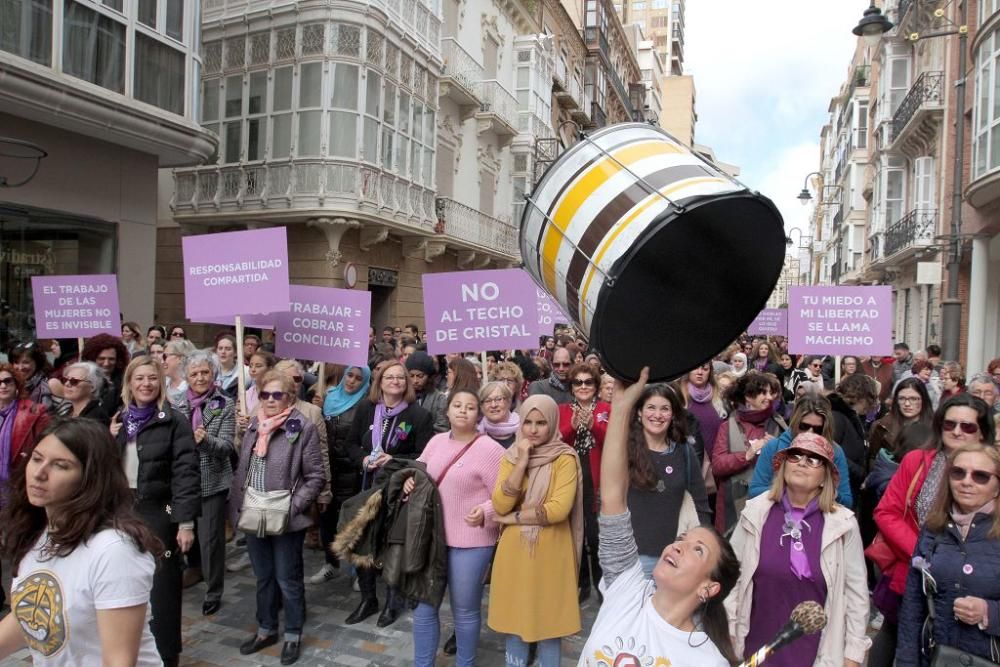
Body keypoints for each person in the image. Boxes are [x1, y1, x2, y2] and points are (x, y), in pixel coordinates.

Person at [579, 367, 740, 666]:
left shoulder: (706, 661)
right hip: (633, 559)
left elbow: (700, 501)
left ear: (709, 587)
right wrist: (621, 408)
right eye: (683, 538)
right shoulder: (624, 591)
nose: (680, 545)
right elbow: (612, 496)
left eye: (698, 549)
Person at [0, 419, 163, 665]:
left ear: (90, 477)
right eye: (36, 458)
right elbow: (31, 614)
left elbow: (118, 660)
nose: (39, 473)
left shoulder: (115, 550)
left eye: (60, 466)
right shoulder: (41, 532)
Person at [870, 394, 997, 664]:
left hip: (979, 592)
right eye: (949, 425)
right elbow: (887, 511)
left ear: (983, 431)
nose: (957, 432)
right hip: (918, 577)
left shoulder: (993, 469)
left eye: (968, 426)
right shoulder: (918, 460)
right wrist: (927, 555)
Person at [726, 432, 871, 666]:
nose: (802, 462)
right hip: (756, 644)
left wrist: (853, 654)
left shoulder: (843, 525)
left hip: (815, 651)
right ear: (783, 467)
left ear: (825, 477)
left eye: (813, 459)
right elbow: (731, 575)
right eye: (795, 456)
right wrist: (729, 628)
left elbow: (856, 594)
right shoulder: (755, 511)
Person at [110, 355, 200, 667]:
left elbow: (186, 473)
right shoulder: (120, 420)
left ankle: (166, 656)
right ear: (129, 383)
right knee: (122, 586)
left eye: (152, 378)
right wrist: (109, 439)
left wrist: (185, 522)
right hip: (122, 513)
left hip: (159, 514)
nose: (146, 384)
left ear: (160, 383)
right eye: (139, 378)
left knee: (162, 592)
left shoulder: (173, 420)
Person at [229, 370, 325, 665]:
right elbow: (243, 468)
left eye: (277, 395)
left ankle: (293, 633)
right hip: (253, 511)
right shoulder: (254, 426)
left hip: (283, 515)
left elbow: (315, 477)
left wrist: (292, 507)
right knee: (263, 577)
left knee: (288, 578)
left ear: (290, 397)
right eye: (264, 395)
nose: (270, 400)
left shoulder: (302, 428)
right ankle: (266, 629)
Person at [408, 389, 505, 666]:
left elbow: (507, 496)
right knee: (424, 607)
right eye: (457, 405)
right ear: (447, 411)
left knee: (464, 610)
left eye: (471, 406)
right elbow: (419, 474)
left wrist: (486, 511)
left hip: (471, 542)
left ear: (479, 413)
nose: (463, 410)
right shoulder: (436, 442)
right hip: (431, 538)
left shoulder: (490, 449)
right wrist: (409, 483)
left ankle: (465, 662)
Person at [488, 394, 583, 666]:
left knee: (549, 629)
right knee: (514, 625)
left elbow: (558, 510)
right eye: (527, 422)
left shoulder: (564, 458)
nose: (532, 429)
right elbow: (499, 504)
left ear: (552, 423)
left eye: (541, 423)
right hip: (515, 555)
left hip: (552, 553)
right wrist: (520, 463)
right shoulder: (511, 457)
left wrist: (514, 518)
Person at [344, 361, 434, 626]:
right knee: (364, 541)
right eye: (388, 377)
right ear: (379, 382)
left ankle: (392, 603)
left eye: (400, 377)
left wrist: (392, 459)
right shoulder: (366, 408)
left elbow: (423, 456)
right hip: (366, 487)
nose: (395, 381)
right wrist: (363, 459)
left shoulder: (419, 416)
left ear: (406, 383)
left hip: (398, 489)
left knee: (392, 545)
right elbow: (349, 444)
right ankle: (368, 599)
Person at [896, 442, 1000, 666]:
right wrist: (906, 661)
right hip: (935, 657)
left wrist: (988, 612)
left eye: (980, 476)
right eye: (958, 472)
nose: (966, 482)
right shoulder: (933, 528)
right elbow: (913, 605)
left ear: (997, 485)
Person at [622, 381, 712, 578]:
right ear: (639, 412)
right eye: (651, 408)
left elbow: (701, 504)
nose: (657, 415)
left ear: (673, 415)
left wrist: (702, 545)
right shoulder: (624, 451)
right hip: (631, 559)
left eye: (665, 409)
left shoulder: (684, 452)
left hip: (675, 559)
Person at [174, 350, 236, 616]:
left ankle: (214, 591)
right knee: (177, 533)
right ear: (186, 376)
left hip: (212, 481)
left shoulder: (224, 403)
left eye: (205, 373)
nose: (200, 378)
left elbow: (226, 446)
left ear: (213, 374)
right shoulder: (175, 404)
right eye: (194, 373)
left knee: (211, 540)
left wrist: (205, 441)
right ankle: (189, 570)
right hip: (180, 481)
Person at [309, 364, 371, 585]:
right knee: (327, 518)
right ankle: (331, 564)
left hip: (352, 472)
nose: (351, 381)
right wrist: (318, 409)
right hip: (328, 469)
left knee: (354, 523)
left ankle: (359, 571)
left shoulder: (367, 405)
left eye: (357, 378)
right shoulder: (329, 397)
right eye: (349, 375)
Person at [558, 363, 611, 601]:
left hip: (599, 478)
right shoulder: (562, 410)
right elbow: (557, 440)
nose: (583, 386)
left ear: (596, 386)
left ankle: (601, 584)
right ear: (571, 386)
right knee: (573, 534)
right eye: (577, 382)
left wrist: (593, 426)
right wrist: (573, 426)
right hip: (570, 478)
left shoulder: (606, 409)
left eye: (588, 382)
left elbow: (614, 441)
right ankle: (581, 583)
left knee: (596, 536)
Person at [711, 372, 784, 533]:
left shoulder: (779, 423)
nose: (769, 397)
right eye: (763, 393)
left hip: (770, 503)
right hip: (733, 508)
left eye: (770, 392)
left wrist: (777, 447)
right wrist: (747, 455)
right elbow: (717, 465)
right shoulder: (728, 426)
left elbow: (792, 462)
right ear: (748, 397)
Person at [748, 396, 854, 505]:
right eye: (804, 426)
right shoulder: (773, 447)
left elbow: (846, 501)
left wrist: (824, 492)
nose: (810, 432)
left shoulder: (835, 451)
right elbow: (754, 491)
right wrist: (791, 493)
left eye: (818, 429)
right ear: (795, 423)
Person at [827, 373, 878, 504]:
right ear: (862, 397)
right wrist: (861, 474)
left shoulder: (853, 417)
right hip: (838, 491)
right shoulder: (837, 417)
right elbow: (830, 452)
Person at [869, 378, 934, 466]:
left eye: (913, 399)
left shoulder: (935, 427)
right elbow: (872, 459)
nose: (907, 404)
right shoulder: (881, 426)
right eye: (902, 398)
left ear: (923, 400)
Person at [81, 334, 129, 413]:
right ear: (92, 358)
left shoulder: (125, 383)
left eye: (111, 359)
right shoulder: (82, 381)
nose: (106, 363)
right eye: (101, 358)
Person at [406, 351, 448, 433]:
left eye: (420, 376)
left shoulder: (439, 398)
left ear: (429, 377)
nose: (415, 381)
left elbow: (442, 428)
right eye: (411, 376)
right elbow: (401, 424)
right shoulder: (403, 396)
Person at [9, 341, 55, 411]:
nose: (20, 368)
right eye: (16, 362)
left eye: (26, 362)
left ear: (37, 362)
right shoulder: (9, 385)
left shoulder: (49, 385)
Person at [478, 381, 520, 448]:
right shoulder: (476, 436)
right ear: (481, 406)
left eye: (498, 399)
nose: (493, 405)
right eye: (488, 401)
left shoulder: (523, 430)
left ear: (509, 401)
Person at [163, 338, 196, 407]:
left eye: (165, 356)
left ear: (181, 358)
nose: (163, 361)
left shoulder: (192, 388)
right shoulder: (163, 384)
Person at [215, 335, 248, 400]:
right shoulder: (210, 371)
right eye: (220, 348)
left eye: (228, 349)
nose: (223, 352)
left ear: (235, 352)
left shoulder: (245, 372)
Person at [245, 350, 277, 415]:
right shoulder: (246, 394)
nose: (253, 370)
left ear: (270, 369)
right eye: (250, 366)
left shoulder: (277, 393)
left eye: (258, 366)